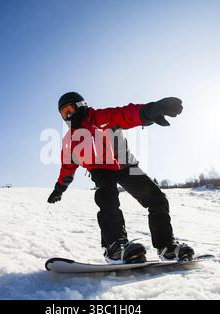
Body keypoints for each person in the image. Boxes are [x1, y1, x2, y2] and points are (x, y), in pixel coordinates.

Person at [47, 92, 194, 264]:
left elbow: (126, 114)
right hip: (101, 169)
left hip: (126, 166)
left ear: (81, 106)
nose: (68, 116)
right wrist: (59, 189)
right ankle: (115, 247)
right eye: (64, 113)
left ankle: (166, 246)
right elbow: (67, 167)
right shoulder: (70, 140)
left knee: (157, 200)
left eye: (70, 109)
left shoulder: (102, 117)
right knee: (107, 200)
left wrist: (150, 110)